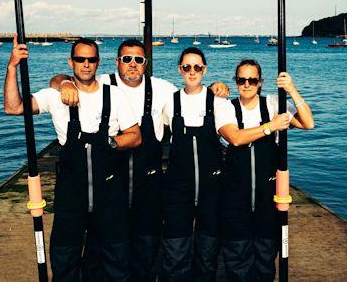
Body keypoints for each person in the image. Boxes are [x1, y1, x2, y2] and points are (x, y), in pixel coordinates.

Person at [53, 39, 230, 281]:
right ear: (117, 62)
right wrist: (63, 82)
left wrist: (217, 87)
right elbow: (69, 78)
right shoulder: (103, 83)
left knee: (146, 244)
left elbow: (192, 93)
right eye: (127, 59)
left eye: (139, 59)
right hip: (111, 181)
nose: (133, 65)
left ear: (146, 63)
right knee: (104, 245)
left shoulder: (162, 89)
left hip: (148, 179)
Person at [3, 36, 141, 281]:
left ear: (98, 63)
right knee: (65, 261)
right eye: (80, 59)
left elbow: (135, 136)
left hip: (109, 198)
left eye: (91, 59)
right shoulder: (55, 95)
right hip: (71, 198)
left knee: (115, 263)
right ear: (71, 62)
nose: (85, 64)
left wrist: (110, 142)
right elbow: (13, 108)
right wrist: (12, 66)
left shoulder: (115, 96)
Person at [216, 59, 314, 281]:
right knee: (236, 261)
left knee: (265, 261)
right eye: (242, 80)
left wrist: (292, 90)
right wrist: (271, 126)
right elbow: (236, 137)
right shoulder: (226, 107)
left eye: (252, 80)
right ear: (236, 82)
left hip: (267, 202)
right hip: (235, 203)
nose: (247, 84)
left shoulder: (273, 103)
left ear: (260, 82)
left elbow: (308, 123)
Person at [160, 47, 233, 281]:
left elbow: (233, 136)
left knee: (208, 251)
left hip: (211, 189)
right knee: (175, 249)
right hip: (177, 190)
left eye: (197, 67)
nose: (192, 72)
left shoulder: (219, 103)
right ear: (179, 69)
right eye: (187, 67)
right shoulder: (169, 102)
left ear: (205, 70)